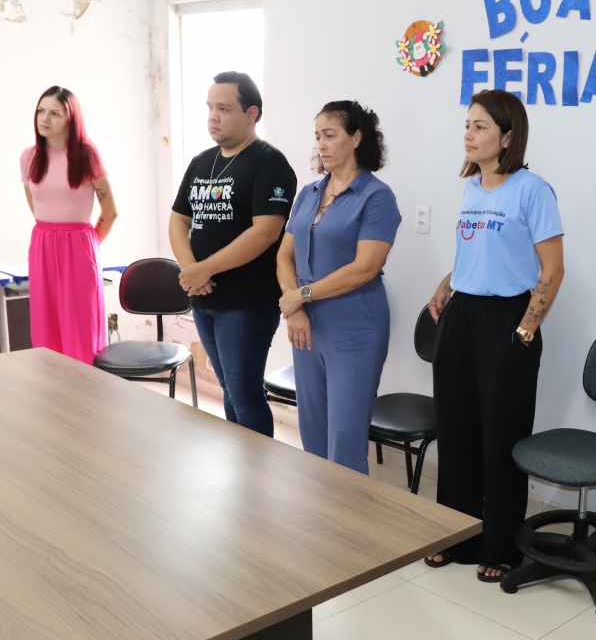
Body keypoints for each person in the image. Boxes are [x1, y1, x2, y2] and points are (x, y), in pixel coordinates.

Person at [425, 89, 565, 583]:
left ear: (508, 137)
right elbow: (481, 252)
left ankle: (501, 544)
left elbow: (552, 268)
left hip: (507, 320)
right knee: (456, 430)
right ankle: (456, 535)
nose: (469, 133)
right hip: (462, 316)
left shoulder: (533, 190)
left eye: (480, 126)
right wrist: (447, 283)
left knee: (500, 437)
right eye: (468, 124)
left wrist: (525, 329)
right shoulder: (471, 189)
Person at [170, 71, 297, 437]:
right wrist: (192, 270)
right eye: (210, 107)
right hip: (204, 297)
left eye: (223, 109)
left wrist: (204, 269)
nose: (213, 116)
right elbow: (178, 220)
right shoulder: (201, 162)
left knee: (244, 393)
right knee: (230, 390)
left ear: (251, 113)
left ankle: (256, 468)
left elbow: (266, 231)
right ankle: (240, 462)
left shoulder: (268, 162)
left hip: (247, 301)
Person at [276, 101, 401, 474]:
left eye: (329, 135)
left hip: (355, 328)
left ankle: (352, 511)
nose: (321, 145)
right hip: (306, 327)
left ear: (356, 138)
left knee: (344, 436)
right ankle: (320, 508)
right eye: (318, 137)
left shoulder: (376, 196)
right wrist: (295, 309)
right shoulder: (309, 192)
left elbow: (364, 269)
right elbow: (284, 256)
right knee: (313, 431)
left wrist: (301, 296)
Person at [21, 86, 118, 365]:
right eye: (41, 111)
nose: (44, 119)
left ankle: (87, 388)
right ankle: (52, 389)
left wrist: (84, 249)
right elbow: (36, 207)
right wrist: (53, 237)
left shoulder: (87, 154)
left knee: (81, 330)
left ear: (70, 119)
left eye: (54, 113)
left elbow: (110, 212)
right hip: (42, 243)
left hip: (79, 245)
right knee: (45, 326)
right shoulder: (28, 157)